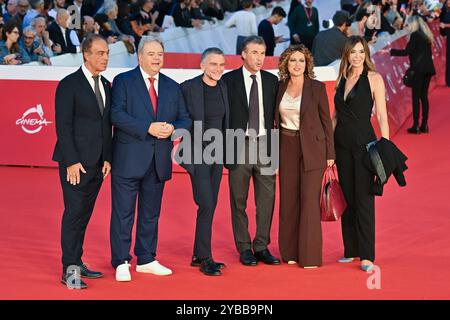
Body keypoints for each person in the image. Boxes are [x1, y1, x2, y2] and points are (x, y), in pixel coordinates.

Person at [110, 36, 191, 282]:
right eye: (152, 54)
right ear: (140, 56)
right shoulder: (123, 81)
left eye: (160, 54)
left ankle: (146, 258)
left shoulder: (171, 85)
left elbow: (185, 119)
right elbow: (116, 114)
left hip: (158, 160)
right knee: (123, 213)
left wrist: (172, 129)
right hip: (128, 158)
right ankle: (121, 260)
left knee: (150, 213)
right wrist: (148, 127)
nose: (157, 59)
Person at [52, 34, 112, 289]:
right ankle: (70, 270)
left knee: (84, 214)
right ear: (86, 55)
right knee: (74, 214)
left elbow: (106, 125)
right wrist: (72, 162)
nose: (105, 57)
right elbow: (63, 127)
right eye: (100, 53)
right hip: (75, 164)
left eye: (107, 52)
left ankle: (77, 260)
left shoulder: (107, 84)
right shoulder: (69, 84)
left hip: (99, 163)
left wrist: (108, 157)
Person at [222, 36, 280, 267]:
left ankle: (261, 246)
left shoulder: (271, 80)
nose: (259, 58)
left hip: (266, 143)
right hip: (239, 144)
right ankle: (244, 247)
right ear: (243, 54)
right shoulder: (228, 80)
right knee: (239, 200)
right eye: (254, 52)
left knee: (267, 199)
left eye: (262, 53)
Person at [332, 36, 389, 272]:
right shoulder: (342, 79)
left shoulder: (374, 79)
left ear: (366, 54)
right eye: (353, 52)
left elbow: (382, 116)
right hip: (341, 145)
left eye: (361, 52)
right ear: (346, 55)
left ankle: (367, 254)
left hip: (365, 145)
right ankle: (351, 250)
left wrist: (385, 147)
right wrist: (327, 146)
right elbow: (335, 116)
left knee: (364, 199)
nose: (357, 56)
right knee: (347, 198)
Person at [276, 44, 335, 268]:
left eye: (301, 60)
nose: (297, 65)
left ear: (307, 63)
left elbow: (326, 122)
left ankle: (309, 256)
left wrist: (330, 153)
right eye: (293, 60)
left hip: (313, 149)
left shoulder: (317, 88)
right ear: (286, 64)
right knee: (289, 200)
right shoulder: (280, 87)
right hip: (286, 146)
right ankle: (290, 252)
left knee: (309, 201)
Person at [179, 47, 229, 276]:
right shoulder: (188, 88)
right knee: (206, 204)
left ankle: (199, 254)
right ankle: (205, 258)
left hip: (217, 155)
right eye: (213, 64)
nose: (218, 69)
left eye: (221, 64)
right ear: (202, 66)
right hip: (196, 154)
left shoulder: (223, 87)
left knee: (209, 206)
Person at [387, 15, 435, 133]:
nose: (407, 26)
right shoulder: (426, 35)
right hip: (428, 69)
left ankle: (416, 126)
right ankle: (424, 125)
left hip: (418, 70)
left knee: (416, 98)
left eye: (408, 24)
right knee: (423, 97)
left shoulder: (415, 35)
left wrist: (390, 51)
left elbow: (406, 52)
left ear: (414, 24)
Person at [439, 0, 450, 87]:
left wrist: (445, 25)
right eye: (448, 2)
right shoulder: (445, 10)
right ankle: (448, 81)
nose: (448, 3)